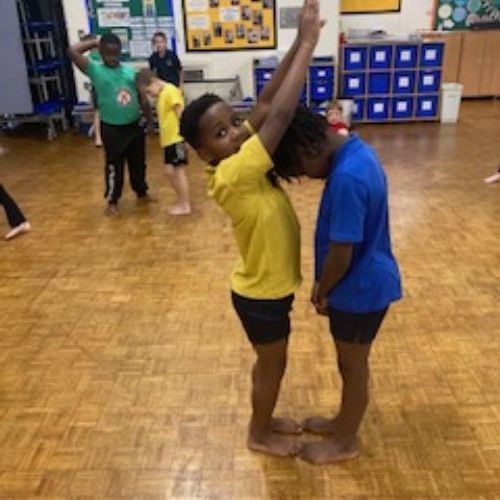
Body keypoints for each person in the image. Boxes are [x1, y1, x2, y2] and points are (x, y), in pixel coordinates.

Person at [179, 0, 323, 457]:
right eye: (221, 134)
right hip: (261, 297)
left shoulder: (238, 158)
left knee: (269, 364)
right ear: (205, 154)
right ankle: (258, 434)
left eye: (234, 123)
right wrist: (310, 46)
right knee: (273, 366)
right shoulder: (234, 174)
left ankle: (263, 419)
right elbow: (277, 116)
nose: (237, 133)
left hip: (265, 291)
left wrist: (296, 42)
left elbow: (262, 104)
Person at [272, 106, 402, 464]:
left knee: (353, 368)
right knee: (351, 365)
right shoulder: (357, 151)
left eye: (301, 170)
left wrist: (322, 288)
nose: (308, 177)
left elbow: (342, 254)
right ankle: (342, 423)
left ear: (308, 149)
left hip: (360, 289)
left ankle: (345, 442)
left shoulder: (347, 178)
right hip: (365, 281)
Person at [68, 33, 154, 215]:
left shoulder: (131, 73)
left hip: (134, 126)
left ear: (121, 52)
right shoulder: (95, 70)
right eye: (108, 54)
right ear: (101, 52)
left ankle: (142, 191)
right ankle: (112, 199)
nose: (113, 58)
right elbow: (72, 51)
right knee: (114, 166)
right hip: (112, 129)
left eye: (116, 54)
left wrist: (150, 122)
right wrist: (95, 41)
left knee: (138, 163)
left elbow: (143, 99)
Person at [136, 69, 191, 215]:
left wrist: (187, 136)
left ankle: (185, 204)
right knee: (169, 172)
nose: (150, 95)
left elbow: (181, 114)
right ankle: (181, 200)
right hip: (168, 141)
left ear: (154, 81)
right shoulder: (161, 95)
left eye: (149, 91)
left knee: (178, 171)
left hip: (177, 139)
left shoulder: (170, 91)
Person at [81, 34, 103, 147]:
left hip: (103, 87)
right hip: (98, 87)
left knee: (99, 112)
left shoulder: (101, 54)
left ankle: (96, 132)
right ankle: (98, 137)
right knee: (98, 112)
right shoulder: (91, 57)